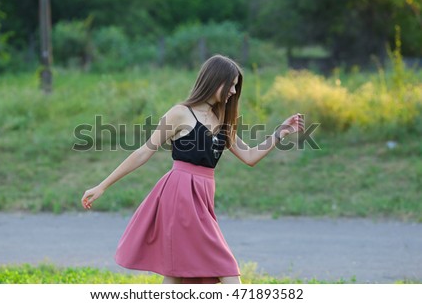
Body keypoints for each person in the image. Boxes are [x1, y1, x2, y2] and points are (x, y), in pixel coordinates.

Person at [81, 54, 304, 284]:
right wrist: (102, 186)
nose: (234, 91)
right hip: (180, 197)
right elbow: (143, 152)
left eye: (237, 86)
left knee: (179, 274)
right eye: (231, 85)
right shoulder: (180, 113)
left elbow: (249, 156)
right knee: (225, 272)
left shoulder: (222, 119)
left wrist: (280, 133)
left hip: (202, 198)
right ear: (215, 80)